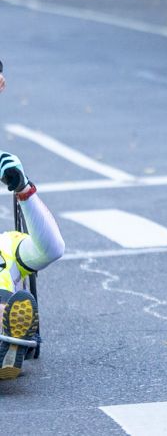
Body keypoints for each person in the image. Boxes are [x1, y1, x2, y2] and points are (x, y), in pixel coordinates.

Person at [0, 151, 66, 379]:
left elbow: (51, 249)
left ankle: (8, 348)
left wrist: (23, 189)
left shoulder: (5, 243)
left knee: (6, 304)